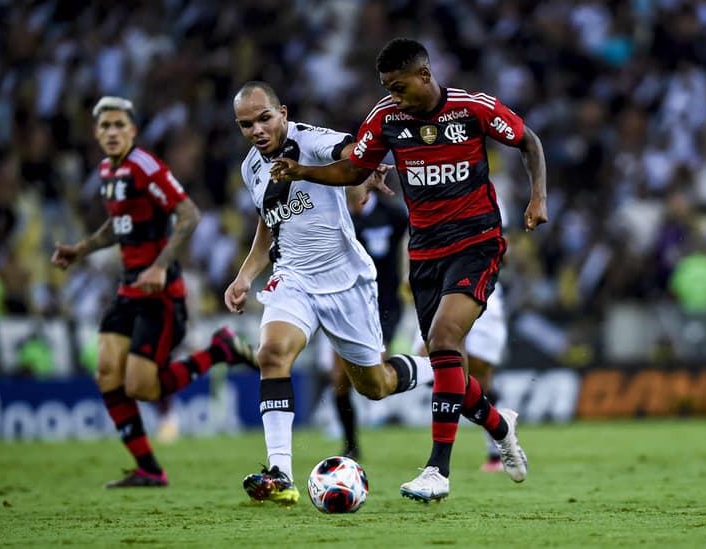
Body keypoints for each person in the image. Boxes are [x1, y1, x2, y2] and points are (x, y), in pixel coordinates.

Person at [271, 37, 548, 502]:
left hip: (476, 244)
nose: (393, 97)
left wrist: (537, 195)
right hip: (424, 255)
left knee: (442, 342)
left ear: (425, 75)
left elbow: (528, 140)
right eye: (387, 88)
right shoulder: (386, 118)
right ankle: (500, 424)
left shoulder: (471, 109)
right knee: (448, 364)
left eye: (399, 87)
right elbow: (354, 169)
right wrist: (303, 172)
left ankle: (437, 471)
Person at [224, 82, 433, 506]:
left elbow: (351, 151)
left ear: (282, 112)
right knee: (272, 354)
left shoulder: (311, 140)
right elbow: (269, 223)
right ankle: (280, 473)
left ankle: (438, 367)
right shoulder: (251, 168)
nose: (257, 130)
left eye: (264, 118)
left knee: (374, 386)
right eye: (246, 125)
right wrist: (245, 275)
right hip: (293, 279)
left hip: (345, 282)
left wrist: (367, 167)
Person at [52, 96, 255, 488]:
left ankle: (220, 350)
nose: (111, 132)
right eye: (104, 126)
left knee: (141, 388)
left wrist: (161, 264)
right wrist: (81, 249)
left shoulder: (145, 166)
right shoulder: (109, 173)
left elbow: (188, 213)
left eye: (118, 125)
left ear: (133, 131)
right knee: (107, 373)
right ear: (96, 133)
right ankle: (149, 468)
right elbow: (118, 227)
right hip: (128, 287)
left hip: (161, 294)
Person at [323, 183, 409, 460]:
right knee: (339, 379)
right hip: (344, 305)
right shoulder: (333, 214)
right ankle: (351, 444)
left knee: (376, 377)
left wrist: (410, 277)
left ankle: (423, 373)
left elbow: (410, 243)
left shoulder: (393, 216)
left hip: (383, 306)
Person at [413, 285, 508, 471]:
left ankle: (496, 449)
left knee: (480, 376)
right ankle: (500, 426)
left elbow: (505, 258)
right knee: (431, 362)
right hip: (437, 291)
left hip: (478, 289)